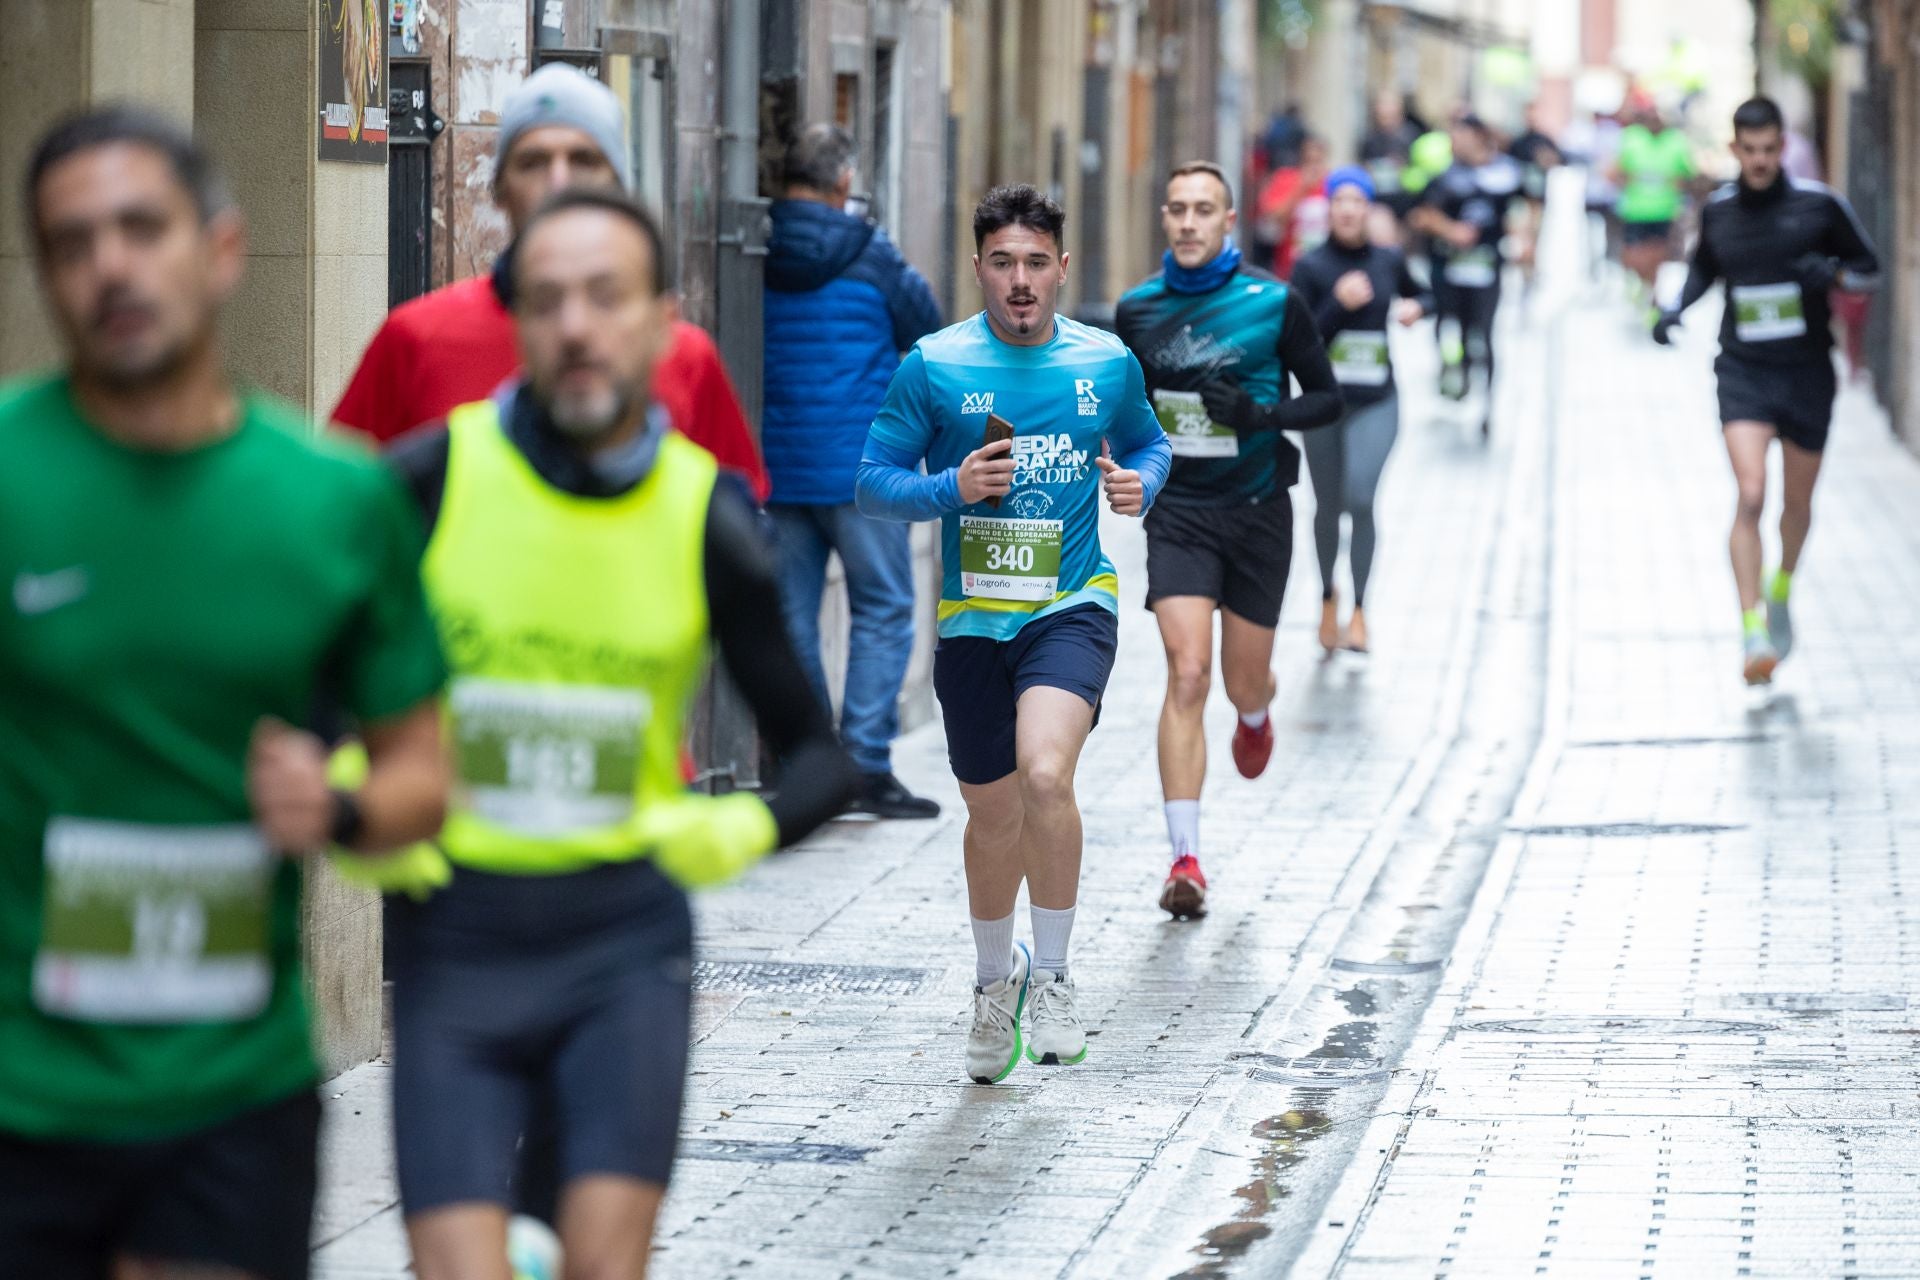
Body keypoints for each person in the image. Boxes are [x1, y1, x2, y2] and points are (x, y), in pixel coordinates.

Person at [0, 106, 450, 1280]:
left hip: (232, 1091)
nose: (111, 265)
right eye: (72, 241)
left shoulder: (331, 503)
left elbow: (423, 774)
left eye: (141, 227)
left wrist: (339, 807)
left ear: (222, 249)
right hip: (20, 1089)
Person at [379, 187, 858, 1278]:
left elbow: (824, 759)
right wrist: (371, 795)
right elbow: (314, 677)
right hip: (454, 939)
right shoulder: (429, 480)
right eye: (548, 300)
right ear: (519, 323)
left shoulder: (704, 517)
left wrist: (733, 831)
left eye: (607, 297)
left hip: (623, 947)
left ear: (661, 320)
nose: (578, 325)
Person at [856, 185, 1171, 1082]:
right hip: (971, 622)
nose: (1021, 281)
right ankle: (998, 986)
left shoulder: (1106, 364)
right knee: (991, 814)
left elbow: (1150, 445)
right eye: (1003, 263)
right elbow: (873, 481)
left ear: (1063, 269)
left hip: (1072, 605)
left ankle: (1061, 977)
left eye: (1037, 263)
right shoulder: (935, 364)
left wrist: (1139, 485)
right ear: (979, 268)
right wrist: (950, 489)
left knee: (1044, 773)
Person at [331, 63, 769, 500]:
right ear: (500, 189)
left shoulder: (687, 358)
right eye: (533, 162)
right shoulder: (416, 339)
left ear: (617, 183)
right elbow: (341, 509)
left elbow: (738, 532)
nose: (558, 181)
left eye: (584, 159)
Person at [1113, 162, 1342, 920]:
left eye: (1202, 210)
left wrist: (1259, 416)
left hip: (1255, 511)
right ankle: (1185, 859)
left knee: (1244, 680)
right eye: (1175, 208)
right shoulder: (1137, 310)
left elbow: (1329, 399)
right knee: (1186, 673)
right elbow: (1125, 412)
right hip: (1178, 510)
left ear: (1229, 220)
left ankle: (1255, 713)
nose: (1186, 223)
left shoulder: (1274, 303)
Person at [1653, 96, 1880, 685]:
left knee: (1795, 507)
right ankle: (1752, 627)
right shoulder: (1721, 211)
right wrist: (1674, 308)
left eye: (1769, 149)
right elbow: (1705, 269)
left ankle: (1781, 590)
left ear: (1783, 148)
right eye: (1748, 150)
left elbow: (1869, 268)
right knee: (1750, 494)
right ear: (1734, 149)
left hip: (1806, 375)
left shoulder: (1820, 207)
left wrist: (1830, 275)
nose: (1759, 160)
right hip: (1744, 370)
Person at [764, 124, 945, 819]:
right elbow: (923, 324)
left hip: (780, 467)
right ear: (844, 184)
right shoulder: (870, 252)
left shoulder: (755, 244)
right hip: (864, 469)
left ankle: (812, 762)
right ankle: (866, 761)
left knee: (791, 618)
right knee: (885, 606)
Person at [1290, 168, 1431, 656]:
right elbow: (1298, 342)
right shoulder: (1310, 268)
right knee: (1327, 506)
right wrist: (1336, 304)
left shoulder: (1389, 261)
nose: (1349, 209)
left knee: (1362, 498)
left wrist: (1418, 309)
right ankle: (1328, 596)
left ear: (1369, 210)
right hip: (1324, 404)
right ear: (1328, 209)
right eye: (1340, 200)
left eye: (1358, 201)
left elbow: (1424, 293)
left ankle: (1361, 610)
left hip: (1378, 402)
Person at [1413, 114, 1522, 433]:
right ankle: (1453, 373)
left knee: (1485, 333)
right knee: (1450, 326)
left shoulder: (1504, 173)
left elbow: (1519, 209)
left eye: (1459, 136)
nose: (1453, 142)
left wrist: (1525, 239)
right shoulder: (1444, 177)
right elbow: (1421, 214)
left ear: (1477, 136)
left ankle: (1488, 402)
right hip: (1449, 269)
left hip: (1487, 268)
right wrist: (1451, 231)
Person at [1612, 102, 1695, 323]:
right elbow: (1615, 171)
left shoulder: (1677, 141)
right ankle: (1643, 288)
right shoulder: (1630, 138)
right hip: (1634, 211)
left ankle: (1652, 295)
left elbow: (1687, 175)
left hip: (1664, 212)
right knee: (1634, 257)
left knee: (1657, 257)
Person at [1256, 133, 1331, 280]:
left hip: (1325, 264)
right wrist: (1300, 189)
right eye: (1309, 161)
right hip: (1289, 265)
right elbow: (1272, 219)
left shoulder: (1331, 182)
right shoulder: (1285, 179)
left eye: (1318, 161)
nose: (1313, 167)